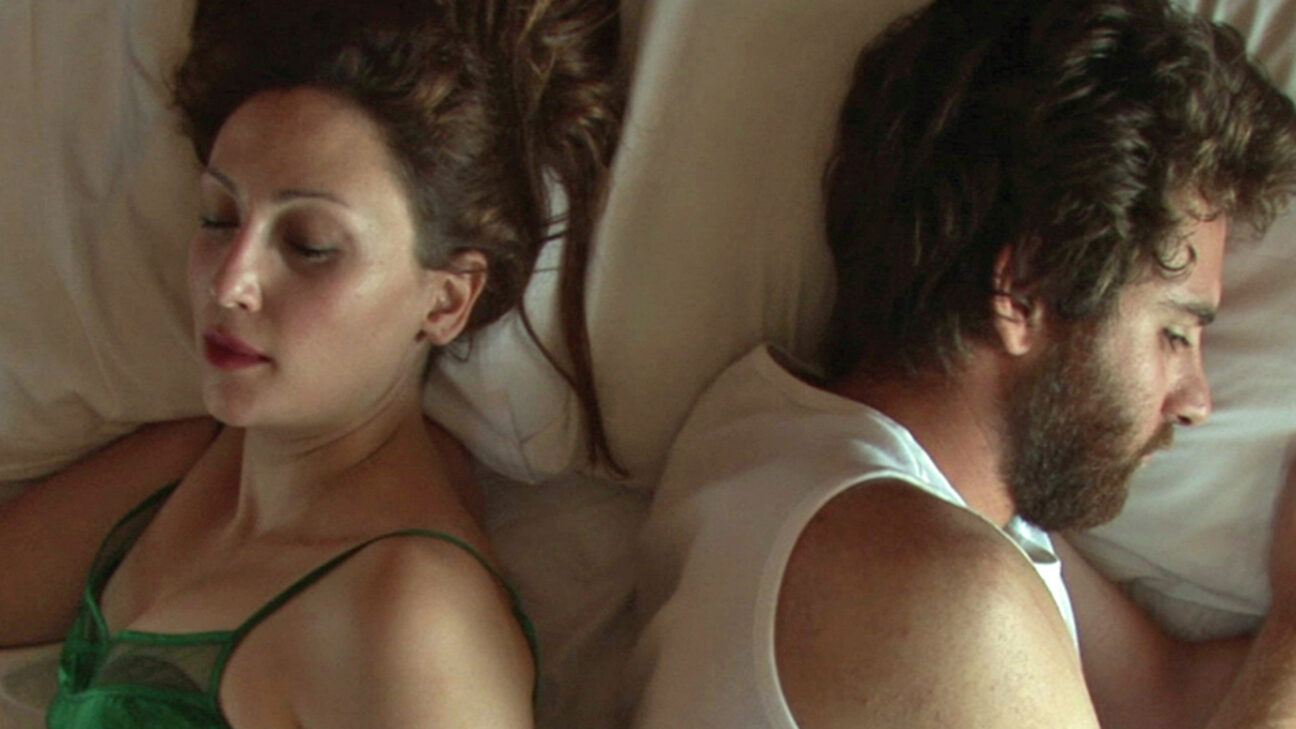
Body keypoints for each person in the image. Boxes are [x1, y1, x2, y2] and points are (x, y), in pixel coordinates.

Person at [626, 0, 1296, 727]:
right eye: (1173, 332)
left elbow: (1171, 696)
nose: (1195, 399)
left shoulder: (790, 440)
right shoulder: (936, 586)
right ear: (1025, 292)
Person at [0, 0, 622, 726]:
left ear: (446, 300)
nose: (230, 282)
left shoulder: (415, 619)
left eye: (310, 245)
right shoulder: (190, 468)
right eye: (219, 218)